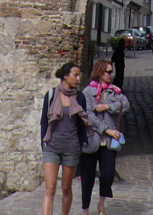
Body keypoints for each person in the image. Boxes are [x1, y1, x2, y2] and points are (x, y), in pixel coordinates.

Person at [80, 59, 130, 215]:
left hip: (108, 143)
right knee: (87, 178)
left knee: (108, 174)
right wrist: (106, 130)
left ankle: (101, 202)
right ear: (100, 72)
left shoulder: (114, 91)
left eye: (111, 71)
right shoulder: (87, 92)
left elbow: (125, 105)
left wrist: (109, 106)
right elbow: (87, 114)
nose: (111, 74)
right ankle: (85, 209)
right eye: (108, 71)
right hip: (92, 139)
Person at [40, 62, 90, 215]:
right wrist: (44, 142)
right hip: (52, 146)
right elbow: (44, 121)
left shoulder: (80, 97)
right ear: (65, 76)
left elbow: (82, 123)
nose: (78, 79)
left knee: (66, 188)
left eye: (78, 75)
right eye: (75, 75)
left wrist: (81, 143)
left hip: (71, 147)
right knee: (50, 188)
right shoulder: (51, 95)